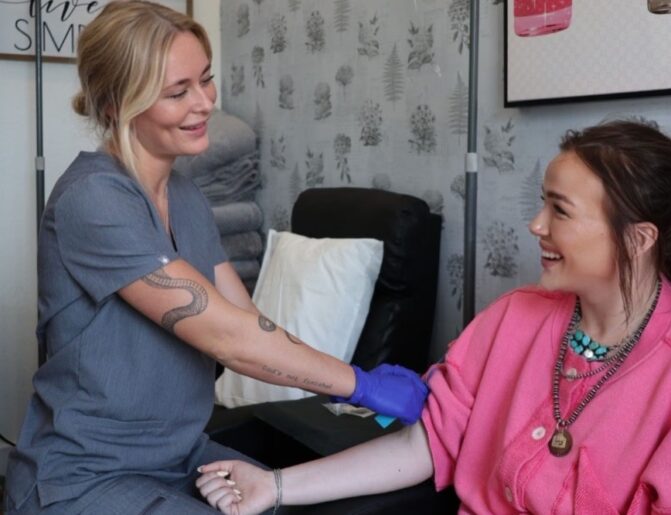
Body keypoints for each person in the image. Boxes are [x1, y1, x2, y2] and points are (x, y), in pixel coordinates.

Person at [197, 120, 671, 514]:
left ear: (639, 238)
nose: (537, 225)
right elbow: (424, 445)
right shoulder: (516, 318)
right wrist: (273, 487)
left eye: (560, 210)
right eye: (543, 203)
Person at [3, 2, 428, 514]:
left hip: (182, 455)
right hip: (85, 476)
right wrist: (362, 384)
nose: (204, 102)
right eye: (178, 92)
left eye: (205, 80)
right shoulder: (93, 199)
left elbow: (247, 320)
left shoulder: (185, 196)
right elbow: (228, 338)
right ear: (117, 103)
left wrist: (345, 385)